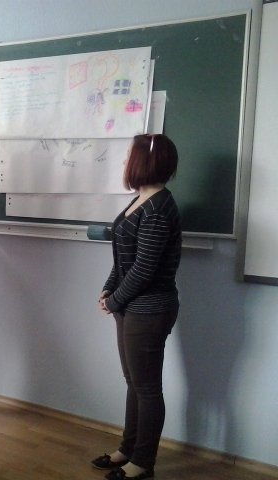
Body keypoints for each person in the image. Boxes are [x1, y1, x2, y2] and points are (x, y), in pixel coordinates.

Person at [93, 134, 181, 480]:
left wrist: (114, 300)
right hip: (130, 307)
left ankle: (143, 463)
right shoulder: (141, 200)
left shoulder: (158, 208)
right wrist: (108, 288)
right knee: (134, 382)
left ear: (144, 160)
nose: (124, 160)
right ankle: (127, 450)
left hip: (149, 309)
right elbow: (124, 258)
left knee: (147, 388)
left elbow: (144, 269)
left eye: (128, 154)